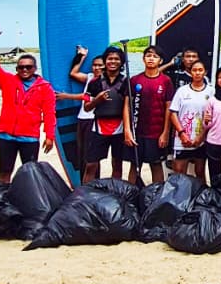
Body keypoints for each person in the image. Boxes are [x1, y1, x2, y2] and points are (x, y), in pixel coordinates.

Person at [0, 25, 56, 184]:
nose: (24, 70)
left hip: (29, 138)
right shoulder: (8, 81)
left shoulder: (45, 87)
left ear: (35, 68)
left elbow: (49, 113)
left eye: (28, 67)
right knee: (4, 173)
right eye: (21, 67)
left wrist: (50, 136)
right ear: (17, 68)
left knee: (30, 175)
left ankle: (29, 205)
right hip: (6, 135)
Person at [122, 44, 174, 186]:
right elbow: (126, 106)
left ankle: (157, 197)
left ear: (161, 61)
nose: (151, 59)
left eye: (155, 56)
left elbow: (169, 108)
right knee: (134, 166)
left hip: (156, 133)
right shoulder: (134, 80)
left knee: (156, 165)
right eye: (148, 55)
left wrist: (165, 132)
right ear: (143, 59)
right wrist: (127, 130)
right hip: (137, 132)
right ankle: (130, 195)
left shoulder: (166, 81)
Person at [84, 47, 130, 183]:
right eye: (110, 59)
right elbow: (86, 108)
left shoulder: (126, 83)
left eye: (117, 59)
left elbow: (128, 107)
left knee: (117, 165)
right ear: (105, 61)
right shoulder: (94, 83)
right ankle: (85, 195)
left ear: (121, 62)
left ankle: (115, 195)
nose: (113, 62)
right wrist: (97, 100)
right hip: (99, 128)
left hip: (119, 128)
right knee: (91, 164)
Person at [56, 49, 104, 178]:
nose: (97, 67)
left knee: (91, 156)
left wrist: (66, 96)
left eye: (100, 65)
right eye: (95, 65)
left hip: (93, 120)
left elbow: (87, 97)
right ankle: (85, 183)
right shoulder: (89, 77)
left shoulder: (104, 81)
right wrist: (81, 56)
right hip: (82, 118)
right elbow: (73, 73)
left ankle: (93, 182)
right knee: (81, 152)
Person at [168, 59, 213, 180]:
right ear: (190, 72)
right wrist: (182, 133)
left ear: (205, 72)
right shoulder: (182, 91)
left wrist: (201, 136)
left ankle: (201, 197)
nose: (197, 73)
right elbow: (173, 113)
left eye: (200, 70)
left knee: (200, 172)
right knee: (179, 172)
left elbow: (214, 115)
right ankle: (180, 198)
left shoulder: (211, 91)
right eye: (194, 70)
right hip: (182, 139)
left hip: (202, 139)